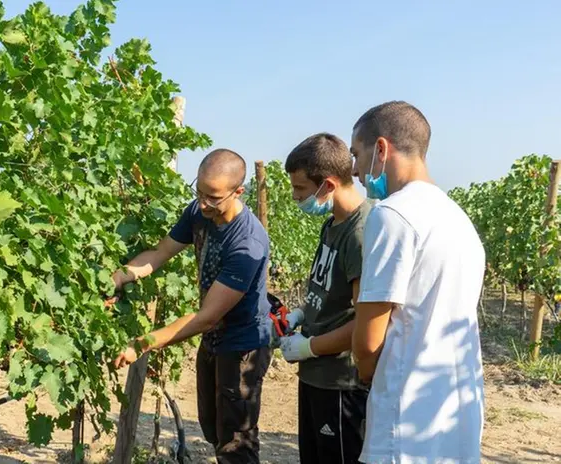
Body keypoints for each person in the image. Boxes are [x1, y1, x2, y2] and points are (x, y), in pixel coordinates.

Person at [111, 148, 272, 463]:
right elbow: (160, 253)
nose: (202, 203)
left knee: (236, 443)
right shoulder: (199, 211)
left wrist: (143, 343)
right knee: (212, 426)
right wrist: (118, 277)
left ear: (239, 192)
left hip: (243, 346)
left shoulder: (247, 243)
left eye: (212, 197)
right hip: (214, 339)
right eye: (199, 192)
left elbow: (206, 317)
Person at [350, 101, 485, 463]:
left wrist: (366, 375)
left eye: (357, 154)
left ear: (381, 149)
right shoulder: (458, 219)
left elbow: (368, 341)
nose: (355, 170)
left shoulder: (392, 215)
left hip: (403, 424)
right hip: (453, 417)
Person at [278, 133, 371, 464]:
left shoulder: (361, 234)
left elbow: (366, 322)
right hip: (316, 375)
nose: (295, 197)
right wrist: (301, 316)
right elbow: (328, 291)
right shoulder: (332, 223)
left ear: (328, 185)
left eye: (300, 189)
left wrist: (309, 347)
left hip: (342, 383)